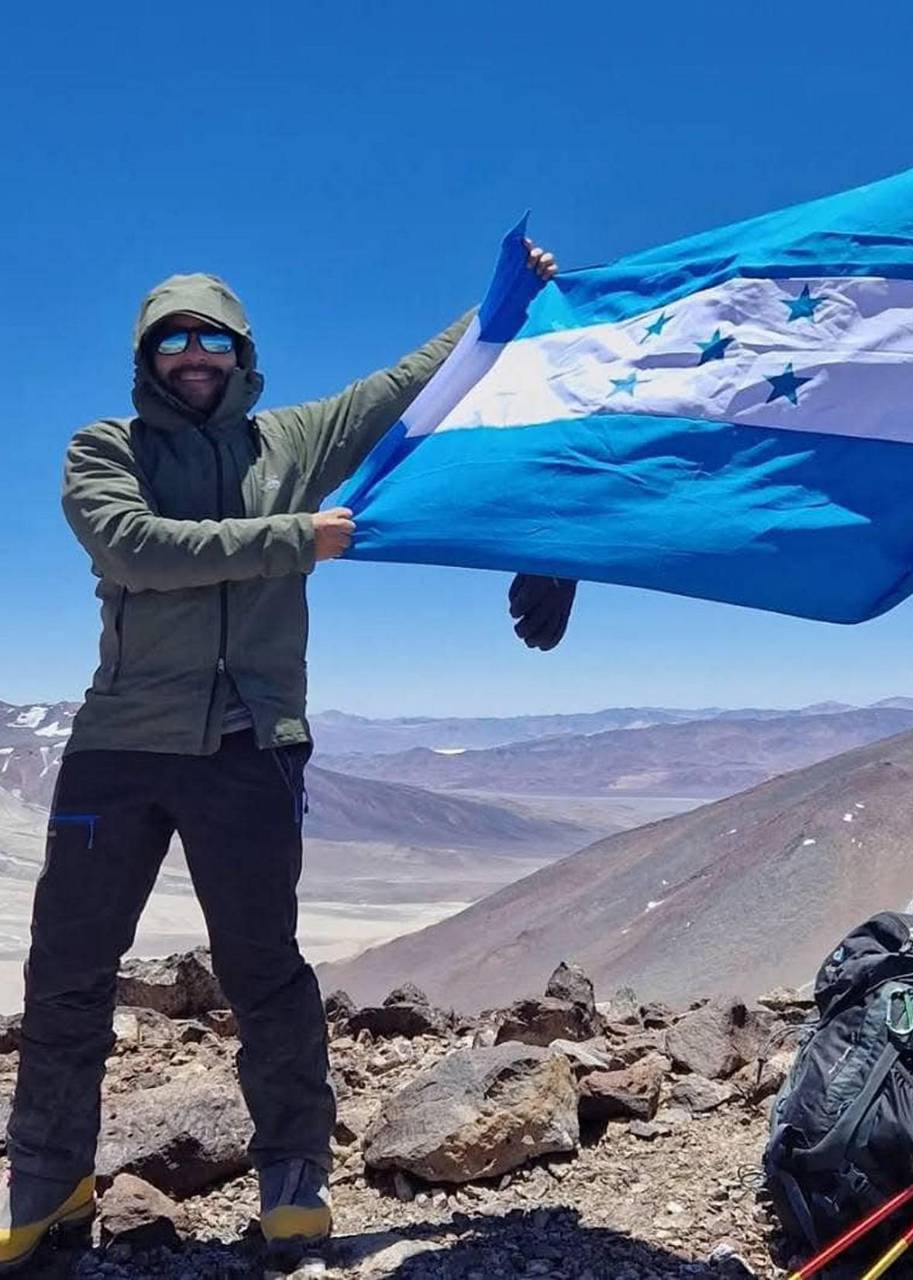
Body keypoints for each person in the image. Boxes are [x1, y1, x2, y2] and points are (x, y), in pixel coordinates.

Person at [0, 243, 577, 1272]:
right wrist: (294, 539)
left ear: (239, 351)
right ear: (147, 357)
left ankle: (295, 1180)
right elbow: (131, 546)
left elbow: (405, 385)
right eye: (171, 338)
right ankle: (48, 1188)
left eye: (209, 336)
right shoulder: (106, 448)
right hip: (117, 747)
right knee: (67, 977)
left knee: (264, 969)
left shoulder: (292, 439)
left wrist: (506, 295)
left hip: (250, 746)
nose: (191, 353)